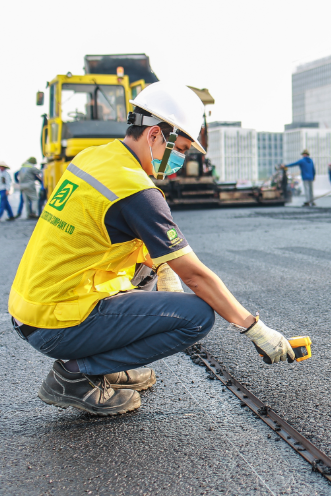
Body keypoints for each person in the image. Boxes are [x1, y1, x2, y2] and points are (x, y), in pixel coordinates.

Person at [9, 82, 295, 417]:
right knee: (197, 316)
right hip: (57, 324)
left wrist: (163, 268)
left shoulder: (96, 157)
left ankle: (102, 364)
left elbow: (121, 238)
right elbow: (197, 276)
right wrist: (255, 329)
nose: (180, 160)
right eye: (182, 149)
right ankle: (75, 373)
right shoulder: (136, 190)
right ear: (156, 134)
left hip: (31, 309)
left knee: (149, 269)